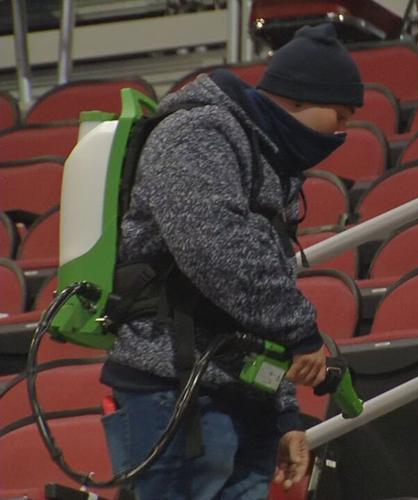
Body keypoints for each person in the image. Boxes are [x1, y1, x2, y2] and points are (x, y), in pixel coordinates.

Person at [99, 23, 362, 499]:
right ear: (300, 99)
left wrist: (284, 414)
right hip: (173, 390)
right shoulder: (196, 133)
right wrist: (300, 331)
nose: (342, 133)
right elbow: (216, 248)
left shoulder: (271, 163)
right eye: (339, 116)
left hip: (240, 397)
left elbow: (257, 292)